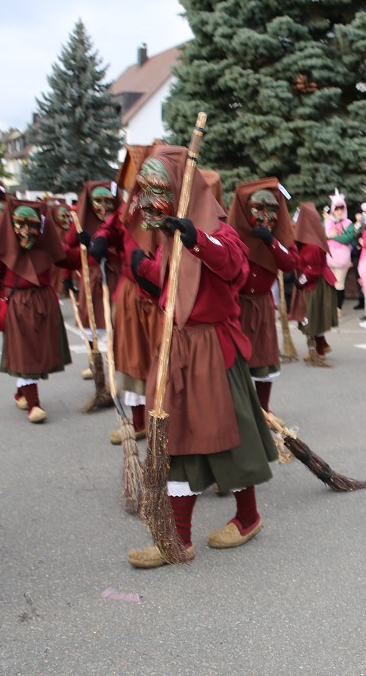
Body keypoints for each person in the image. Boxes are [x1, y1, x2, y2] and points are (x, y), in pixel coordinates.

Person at [125, 145, 278, 568]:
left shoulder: (218, 229)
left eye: (158, 189)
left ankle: (247, 518)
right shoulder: (164, 234)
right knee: (179, 440)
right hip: (176, 347)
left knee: (231, 439)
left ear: (179, 191)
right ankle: (178, 540)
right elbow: (166, 282)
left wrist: (196, 239)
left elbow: (235, 267)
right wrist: (143, 268)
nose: (149, 199)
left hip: (214, 349)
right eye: (144, 189)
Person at [87, 144, 160, 444]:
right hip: (130, 294)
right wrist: (101, 240)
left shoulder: (174, 206)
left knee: (165, 363)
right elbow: (110, 228)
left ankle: (173, 428)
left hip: (162, 297)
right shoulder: (127, 208)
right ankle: (140, 421)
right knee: (132, 358)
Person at [0, 200, 76, 423]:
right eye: (20, 224)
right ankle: (34, 405)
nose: (26, 231)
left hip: (44, 302)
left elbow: (69, 260)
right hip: (18, 305)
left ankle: (22, 392)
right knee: (26, 355)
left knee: (37, 354)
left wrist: (87, 246)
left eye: (32, 225)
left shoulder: (45, 245)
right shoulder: (1, 248)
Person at [227, 178, 297, 412]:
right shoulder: (233, 234)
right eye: (259, 209)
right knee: (237, 362)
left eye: (272, 210)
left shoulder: (278, 236)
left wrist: (272, 243)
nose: (265, 216)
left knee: (264, 359)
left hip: (263, 305)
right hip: (237, 306)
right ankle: (241, 411)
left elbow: (290, 262)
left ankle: (263, 409)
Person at [70, 181, 121, 380]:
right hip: (91, 276)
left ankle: (115, 359)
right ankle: (95, 362)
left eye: (107, 201)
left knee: (115, 319)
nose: (103, 206)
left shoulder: (121, 220)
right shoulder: (81, 221)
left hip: (115, 274)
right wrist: (82, 242)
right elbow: (67, 250)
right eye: (97, 201)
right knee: (91, 320)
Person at [290, 202, 338, 366]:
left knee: (311, 315)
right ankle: (322, 343)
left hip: (315, 284)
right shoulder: (306, 241)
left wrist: (300, 281)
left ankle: (319, 350)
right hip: (310, 281)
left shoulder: (312, 245)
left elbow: (313, 269)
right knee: (309, 314)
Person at [323, 192, 354, 314]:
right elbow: (321, 236)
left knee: (339, 284)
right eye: (336, 208)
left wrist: (331, 237)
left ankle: (338, 309)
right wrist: (329, 236)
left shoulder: (348, 223)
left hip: (342, 258)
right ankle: (330, 308)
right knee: (330, 284)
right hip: (329, 257)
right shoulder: (327, 222)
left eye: (341, 208)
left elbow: (347, 238)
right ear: (333, 209)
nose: (339, 211)